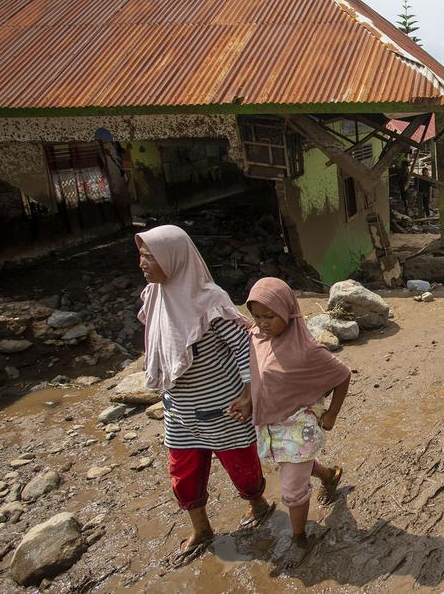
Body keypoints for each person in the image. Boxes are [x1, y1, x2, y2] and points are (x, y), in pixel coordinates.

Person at [135, 225, 271, 568]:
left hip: (225, 408)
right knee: (183, 473)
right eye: (141, 255)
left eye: (150, 256)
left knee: (243, 468)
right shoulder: (154, 296)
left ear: (174, 259)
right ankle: (202, 529)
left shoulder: (210, 300)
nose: (142, 262)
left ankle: (258, 506)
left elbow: (244, 346)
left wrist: (247, 393)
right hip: (179, 409)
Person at [238, 278, 351, 566]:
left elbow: (342, 374)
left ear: (288, 311)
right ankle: (328, 475)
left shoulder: (306, 350)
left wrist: (332, 414)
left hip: (297, 426)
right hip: (272, 424)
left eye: (269, 316)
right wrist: (248, 400)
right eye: (257, 316)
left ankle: (300, 537)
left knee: (292, 489)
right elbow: (256, 374)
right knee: (293, 464)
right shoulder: (258, 337)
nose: (262, 323)